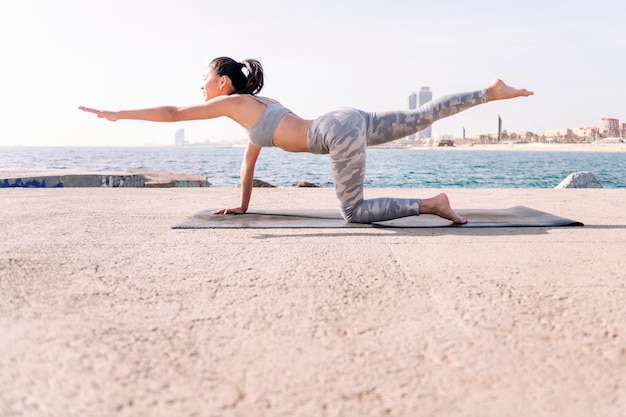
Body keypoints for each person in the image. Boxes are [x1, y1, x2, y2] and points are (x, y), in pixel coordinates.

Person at [79, 57, 533, 224]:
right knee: (418, 117)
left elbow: (174, 113)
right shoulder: (255, 107)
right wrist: (242, 205)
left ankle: (432, 203)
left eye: (204, 79)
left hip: (334, 131)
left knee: (354, 213)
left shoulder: (234, 103)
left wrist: (118, 114)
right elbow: (249, 163)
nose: (201, 87)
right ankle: (488, 92)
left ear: (221, 83)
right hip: (341, 117)